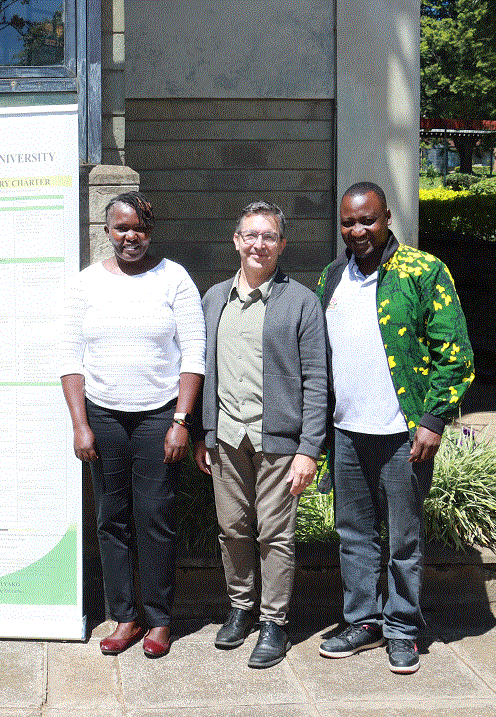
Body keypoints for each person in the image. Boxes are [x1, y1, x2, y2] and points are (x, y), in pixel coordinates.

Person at [315, 182, 474, 674]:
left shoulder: (423, 271)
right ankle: (363, 622)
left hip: (403, 435)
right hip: (346, 433)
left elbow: (455, 352)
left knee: (403, 539)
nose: (358, 230)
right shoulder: (332, 276)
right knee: (353, 535)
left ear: (387, 218)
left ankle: (403, 628)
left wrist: (433, 419)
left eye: (368, 220)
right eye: (348, 222)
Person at [59, 191, 205, 658]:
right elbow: (70, 359)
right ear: (107, 231)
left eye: (139, 228)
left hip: (159, 413)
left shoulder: (174, 279)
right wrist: (80, 425)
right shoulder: (85, 284)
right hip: (103, 415)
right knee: (111, 517)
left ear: (150, 231)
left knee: (155, 516)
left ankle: (159, 619)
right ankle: (125, 616)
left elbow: (194, 354)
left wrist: (181, 421)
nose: (131, 236)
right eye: (122, 228)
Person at [193, 201, 327, 669]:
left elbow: (316, 380)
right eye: (250, 235)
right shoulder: (214, 299)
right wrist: (203, 433)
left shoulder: (301, 301)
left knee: (275, 534)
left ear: (282, 244)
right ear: (236, 241)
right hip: (227, 438)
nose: (259, 244)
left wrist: (309, 449)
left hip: (279, 442)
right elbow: (201, 369)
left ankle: (274, 621)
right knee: (232, 529)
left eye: (269, 236)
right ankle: (241, 608)